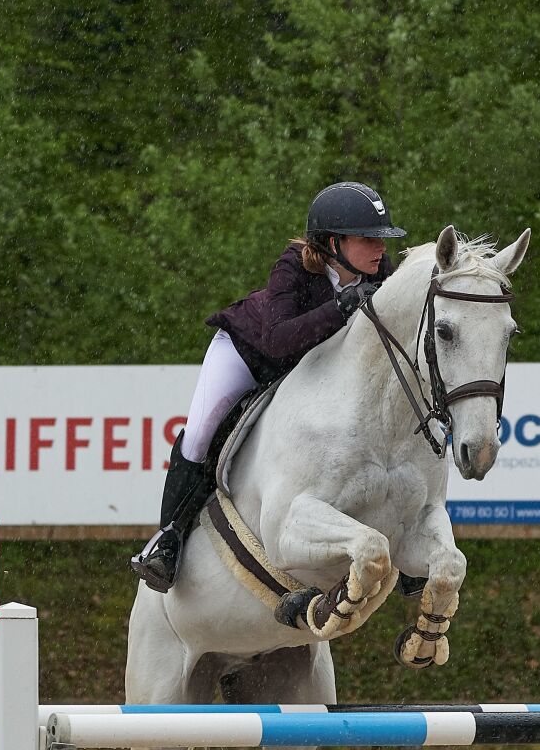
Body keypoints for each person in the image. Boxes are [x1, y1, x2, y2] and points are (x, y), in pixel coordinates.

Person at [129, 181, 406, 592]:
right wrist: (340, 307)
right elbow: (277, 340)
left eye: (382, 239)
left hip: (306, 371)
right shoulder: (294, 264)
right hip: (247, 355)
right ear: (333, 242)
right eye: (369, 239)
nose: (380, 249)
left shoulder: (378, 272)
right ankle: (167, 540)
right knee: (202, 433)